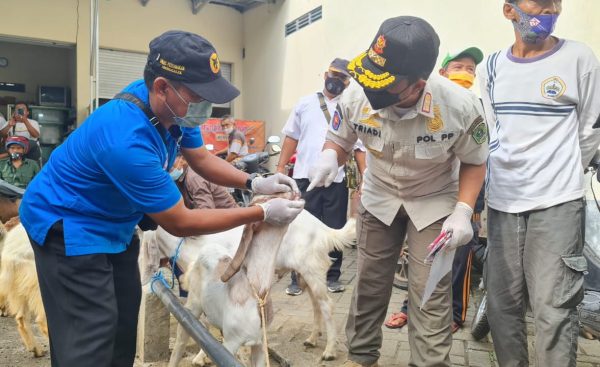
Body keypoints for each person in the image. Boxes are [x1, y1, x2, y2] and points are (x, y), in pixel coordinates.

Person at [19, 30, 304, 367]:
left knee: (124, 319)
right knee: (89, 332)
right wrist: (260, 212)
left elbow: (200, 158)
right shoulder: (126, 139)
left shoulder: (175, 110)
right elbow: (181, 221)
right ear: (162, 87)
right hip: (69, 225)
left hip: (116, 224)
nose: (205, 105)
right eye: (198, 94)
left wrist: (255, 181)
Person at [308, 16, 488, 367]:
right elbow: (340, 137)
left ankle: (429, 363)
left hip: (434, 202)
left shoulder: (459, 107)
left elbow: (475, 160)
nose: (373, 91)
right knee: (369, 285)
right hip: (379, 197)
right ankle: (361, 358)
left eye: (385, 85)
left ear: (417, 84)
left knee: (429, 293)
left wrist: (464, 211)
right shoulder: (357, 95)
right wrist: (331, 156)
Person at [479, 1, 600, 366]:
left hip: (558, 202)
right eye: (538, 2)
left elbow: (591, 128)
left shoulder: (579, 58)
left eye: (554, 4)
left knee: (555, 306)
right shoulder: (491, 66)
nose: (548, 10)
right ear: (509, 10)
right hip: (502, 201)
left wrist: (560, 172)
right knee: (503, 304)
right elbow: (489, 129)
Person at [384, 46, 485, 333]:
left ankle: (454, 314)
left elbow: (480, 157)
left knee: (459, 256)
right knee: (422, 257)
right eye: (459, 67)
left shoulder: (475, 106)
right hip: (432, 192)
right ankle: (409, 308)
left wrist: (468, 208)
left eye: (471, 70)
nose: (465, 73)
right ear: (441, 73)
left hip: (466, 196)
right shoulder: (426, 104)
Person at [276, 58, 352, 295]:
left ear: (348, 82)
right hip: (303, 177)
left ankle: (332, 276)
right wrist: (280, 168)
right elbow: (291, 137)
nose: (336, 80)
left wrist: (365, 176)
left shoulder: (350, 106)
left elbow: (358, 146)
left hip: (336, 178)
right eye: (333, 74)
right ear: (325, 73)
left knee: (334, 227)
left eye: (342, 77)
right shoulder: (305, 103)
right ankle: (298, 279)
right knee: (300, 228)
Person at [171, 154, 238, 210]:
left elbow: (206, 210)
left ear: (182, 160)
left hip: (227, 219)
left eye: (170, 163)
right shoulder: (180, 178)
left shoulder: (194, 177)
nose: (167, 168)